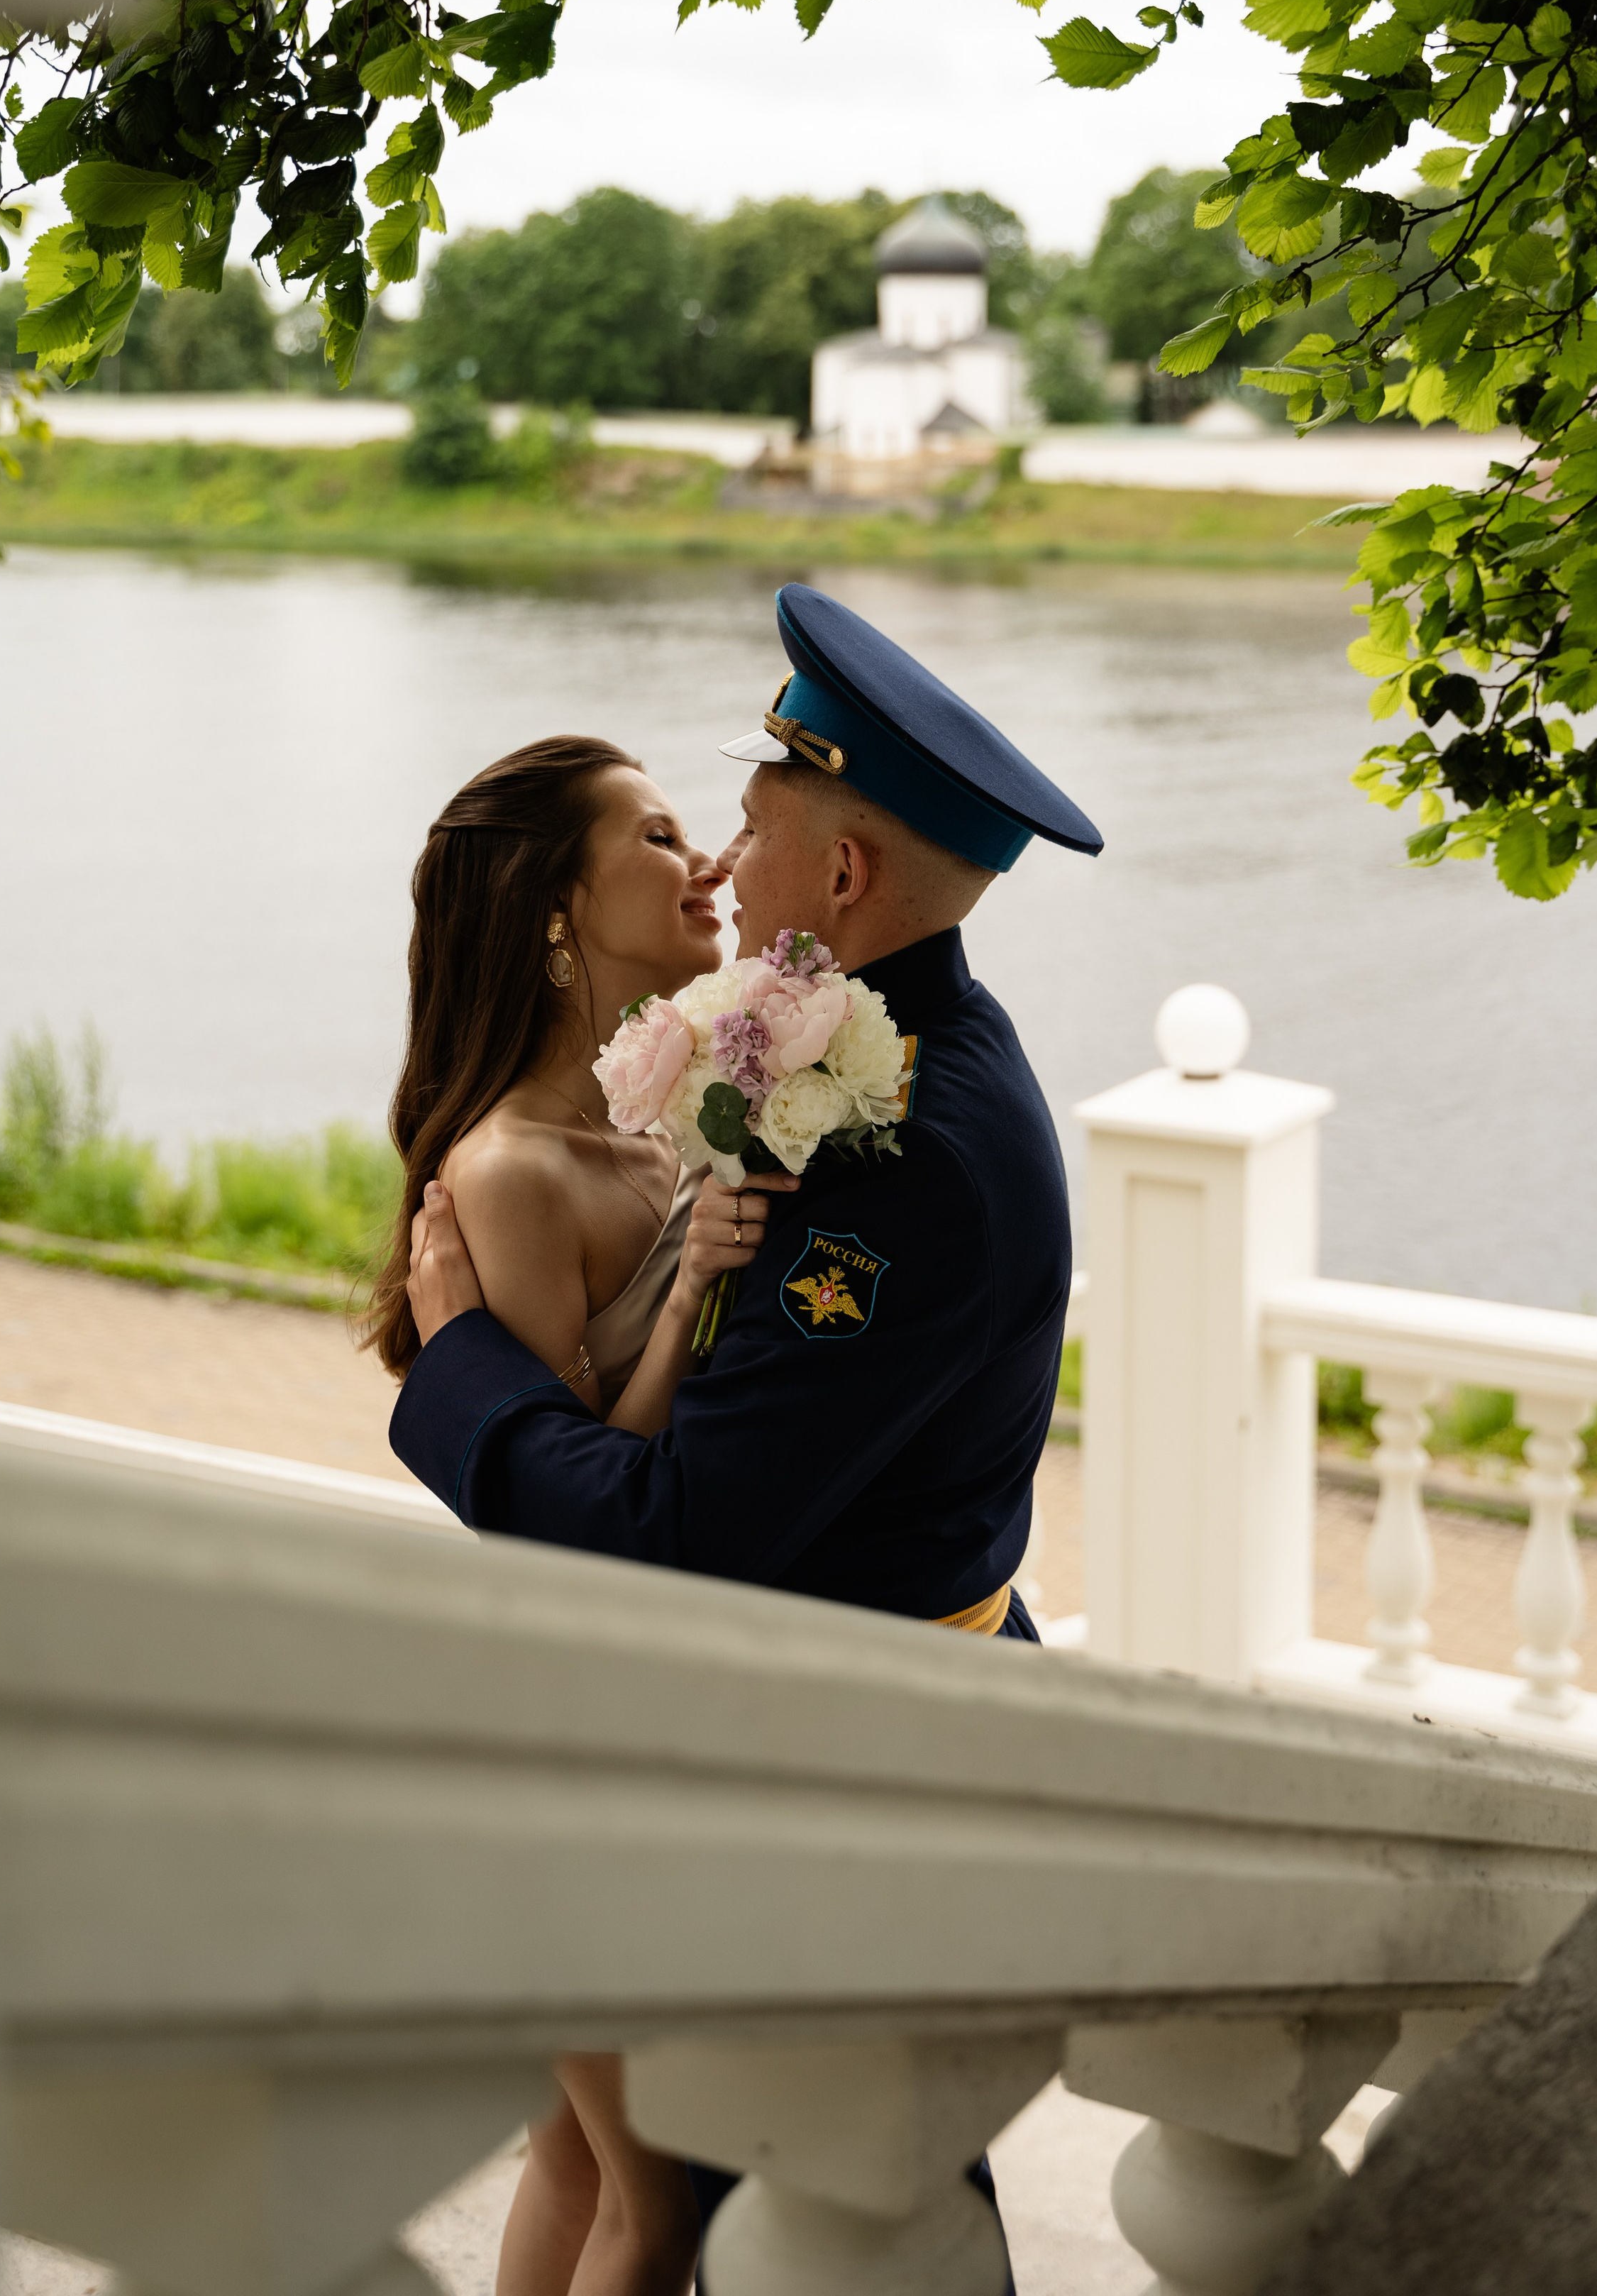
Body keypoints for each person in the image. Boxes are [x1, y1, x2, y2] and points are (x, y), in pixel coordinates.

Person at [391, 585, 1103, 2283]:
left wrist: (459, 1362)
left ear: (843, 877)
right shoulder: (879, 1046)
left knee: (819, 2202)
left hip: (842, 1758)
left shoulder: (897, 1144)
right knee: (817, 2192)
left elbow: (672, 1530)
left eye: (752, 815)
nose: (723, 853)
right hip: (835, 1727)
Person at [366, 734, 799, 2296]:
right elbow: (561, 1503)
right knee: (657, 2199)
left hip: (673, 1699)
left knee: (578, 2154)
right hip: (575, 1724)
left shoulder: (668, 1116)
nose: (703, 864)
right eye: (659, 834)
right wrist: (692, 1297)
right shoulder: (509, 1172)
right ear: (556, 906)